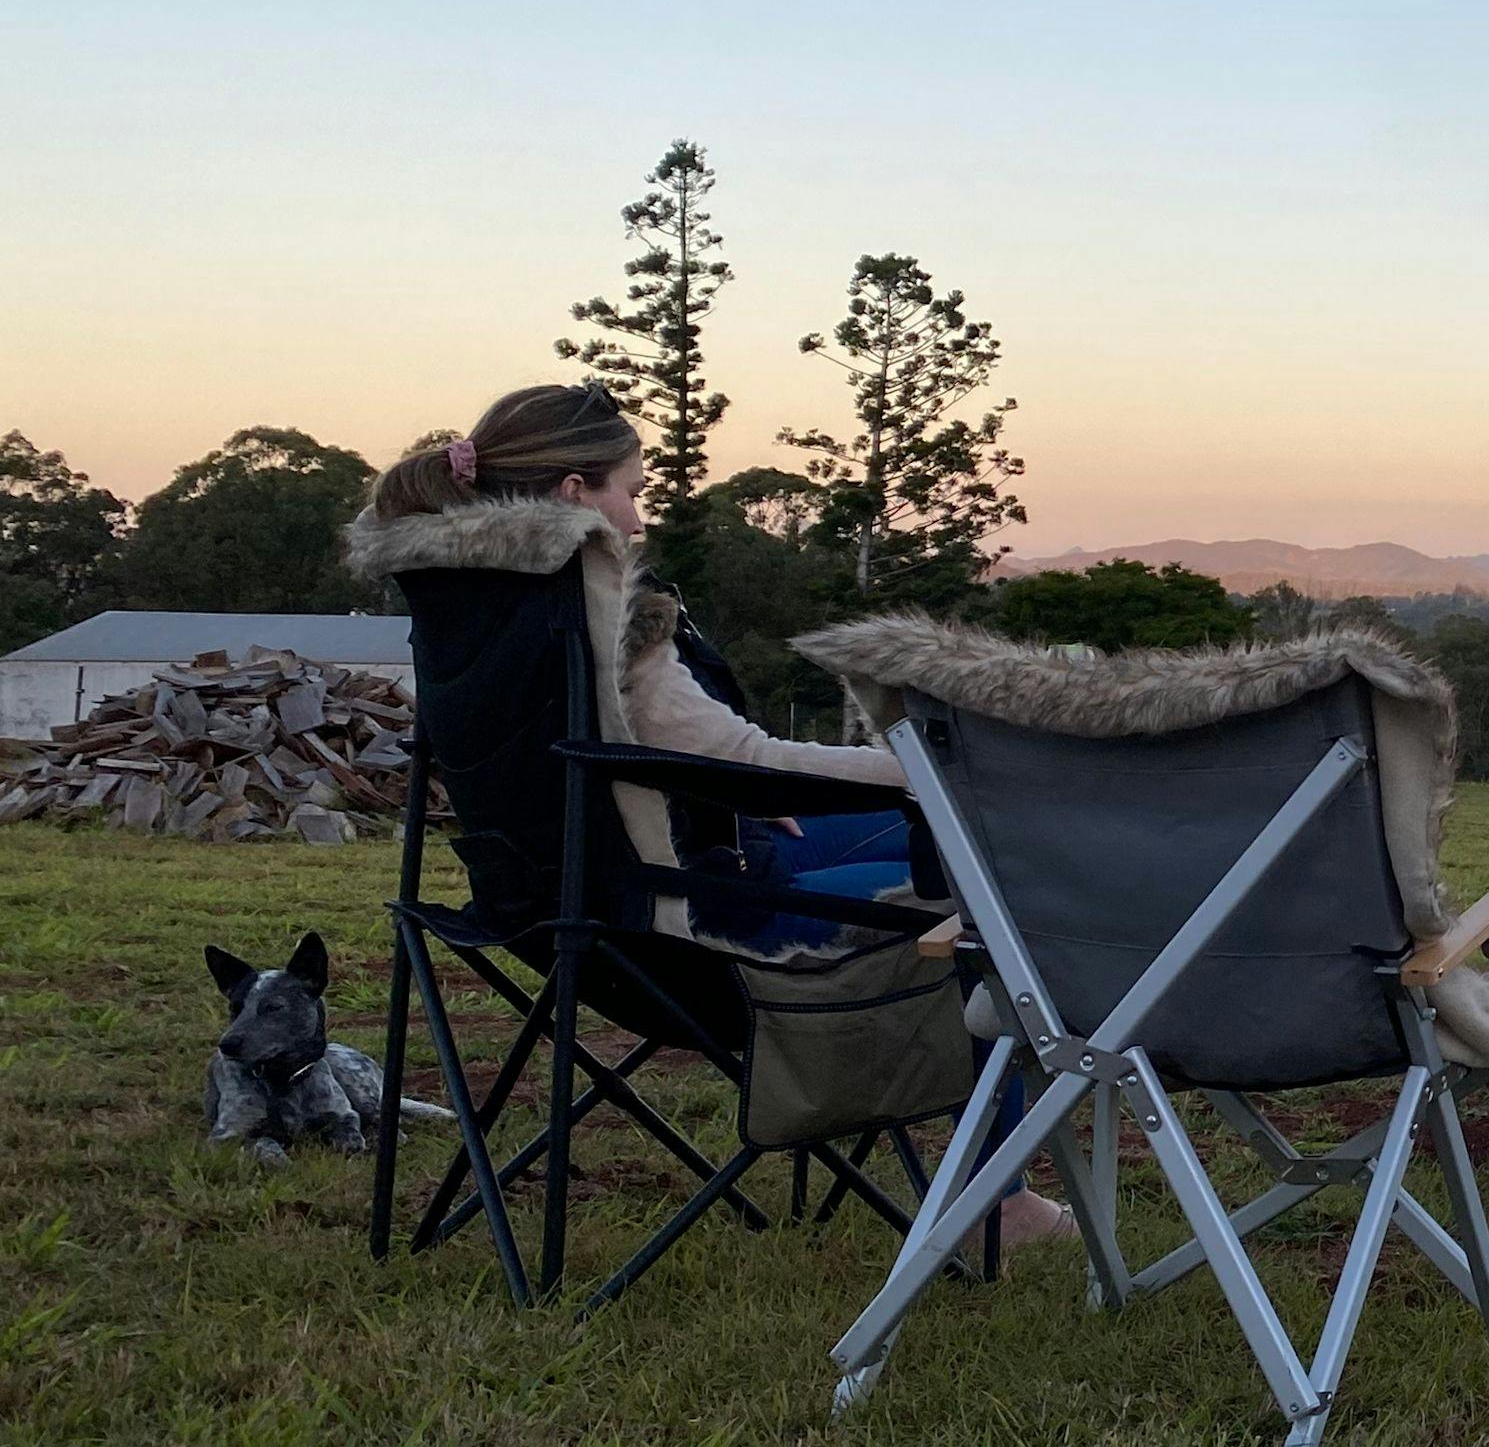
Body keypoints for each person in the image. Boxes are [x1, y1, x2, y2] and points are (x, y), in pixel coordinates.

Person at [351, 384, 1073, 1251]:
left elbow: (606, 765)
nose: (639, 516)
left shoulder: (468, 596)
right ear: (576, 495)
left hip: (556, 913)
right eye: (632, 489)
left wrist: (729, 803)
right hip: (687, 927)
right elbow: (750, 760)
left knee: (924, 833)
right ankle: (997, 1200)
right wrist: (931, 773)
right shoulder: (591, 600)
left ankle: (996, 1187)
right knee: (985, 878)